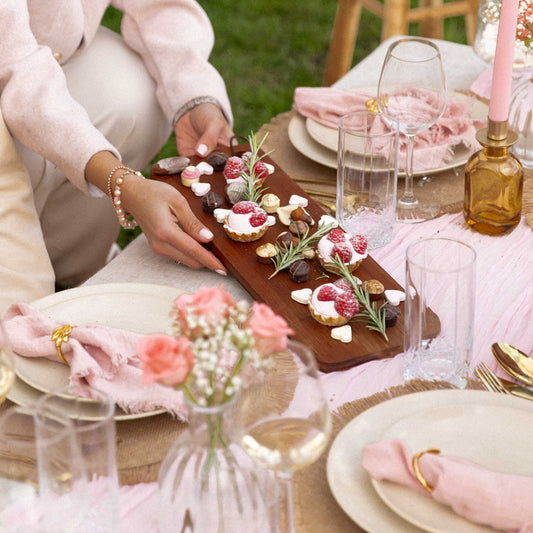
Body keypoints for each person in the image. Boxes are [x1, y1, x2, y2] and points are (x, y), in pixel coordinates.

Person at [0, 0, 234, 314]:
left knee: (130, 88)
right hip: (12, 68)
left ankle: (77, 268)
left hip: (42, 58)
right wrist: (122, 183)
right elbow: (18, 71)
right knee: (18, 324)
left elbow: (160, 5)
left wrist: (196, 95)